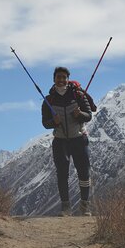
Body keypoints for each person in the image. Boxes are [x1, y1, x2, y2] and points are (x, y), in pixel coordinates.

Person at [41, 66, 93, 216]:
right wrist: (54, 122)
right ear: (54, 79)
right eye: (59, 77)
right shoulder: (48, 100)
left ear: (68, 79)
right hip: (60, 141)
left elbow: (88, 115)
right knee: (62, 174)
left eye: (64, 77)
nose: (61, 80)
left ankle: (85, 206)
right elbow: (45, 123)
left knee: (83, 172)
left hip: (79, 139)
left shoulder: (78, 96)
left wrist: (79, 114)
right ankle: (66, 208)